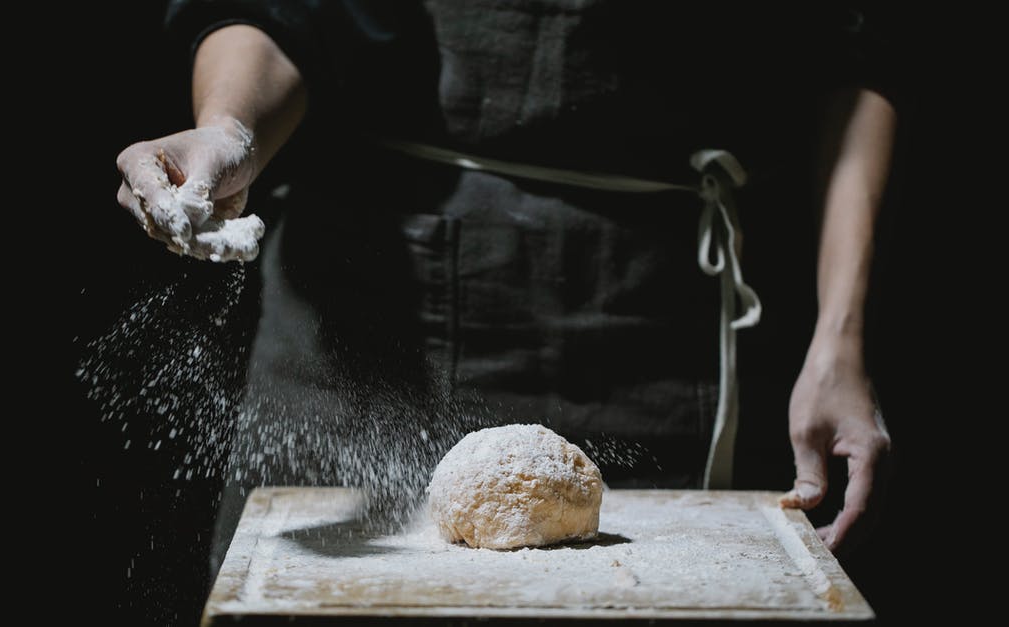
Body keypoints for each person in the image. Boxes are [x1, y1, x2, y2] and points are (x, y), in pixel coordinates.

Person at [114, 1, 897, 621]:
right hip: (373, 309)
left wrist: (841, 337)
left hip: (665, 322)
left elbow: (854, 46)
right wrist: (229, 129)